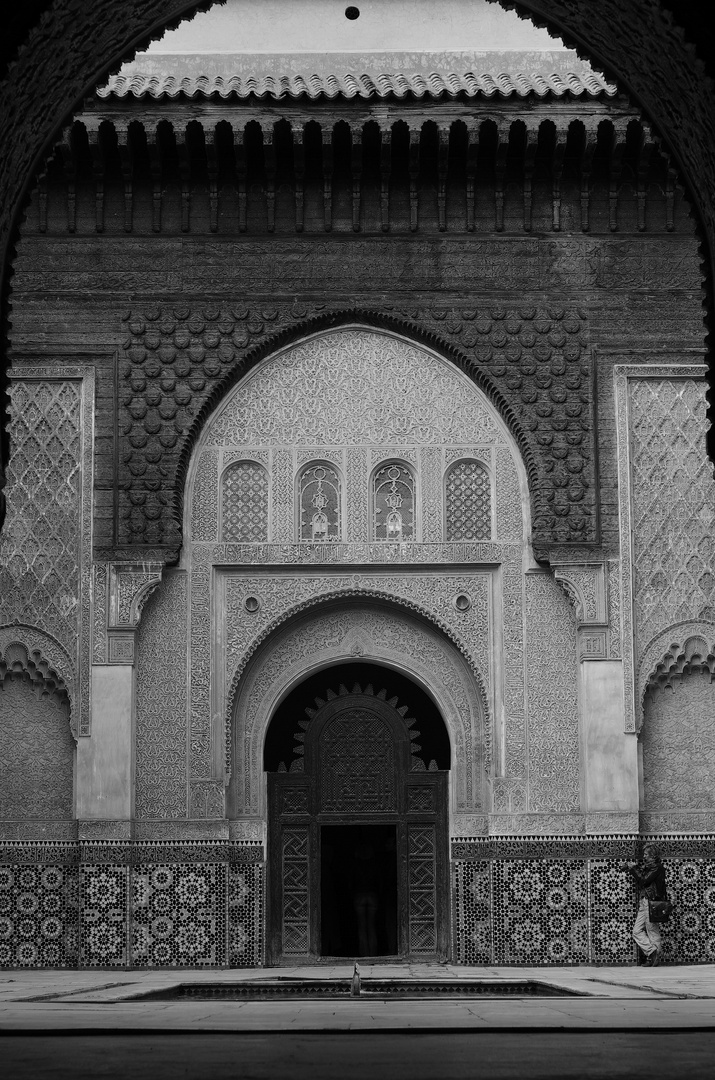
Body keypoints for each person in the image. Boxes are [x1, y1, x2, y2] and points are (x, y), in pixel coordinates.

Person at [622, 844, 667, 967]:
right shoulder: (649, 867)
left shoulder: (657, 868)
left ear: (653, 856)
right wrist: (632, 867)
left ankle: (653, 959)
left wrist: (633, 869)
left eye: (647, 854)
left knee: (652, 930)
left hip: (651, 902)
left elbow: (643, 880)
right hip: (644, 902)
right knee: (636, 931)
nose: (644, 856)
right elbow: (642, 875)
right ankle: (652, 952)